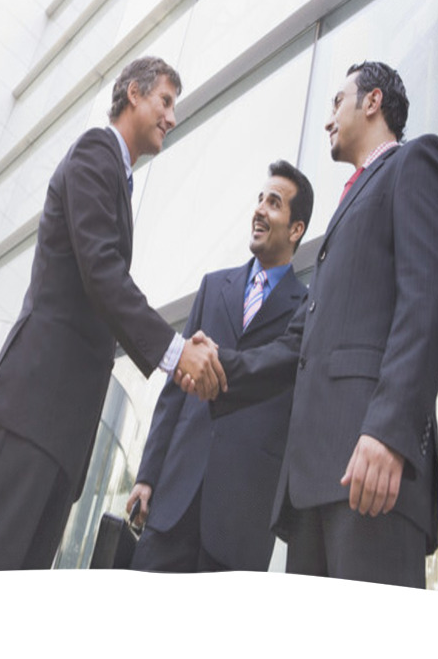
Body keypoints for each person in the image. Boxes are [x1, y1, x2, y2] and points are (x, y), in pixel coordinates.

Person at [0, 57, 226, 575]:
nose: (172, 118)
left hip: (61, 427)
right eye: (165, 101)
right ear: (133, 93)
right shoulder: (95, 153)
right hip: (34, 409)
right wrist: (177, 353)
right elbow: (102, 272)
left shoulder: (119, 176)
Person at [186, 61, 438, 588]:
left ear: (372, 102)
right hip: (313, 488)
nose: (329, 118)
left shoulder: (414, 163)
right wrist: (219, 366)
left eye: (337, 102)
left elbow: (427, 301)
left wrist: (388, 432)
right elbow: (301, 344)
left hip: (371, 469)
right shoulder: (349, 202)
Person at [125, 160, 313, 572]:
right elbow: (174, 393)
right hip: (173, 497)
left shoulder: (307, 309)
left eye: (274, 203)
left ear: (296, 229)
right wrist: (147, 475)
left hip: (242, 518)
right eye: (259, 199)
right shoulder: (213, 286)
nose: (260, 209)